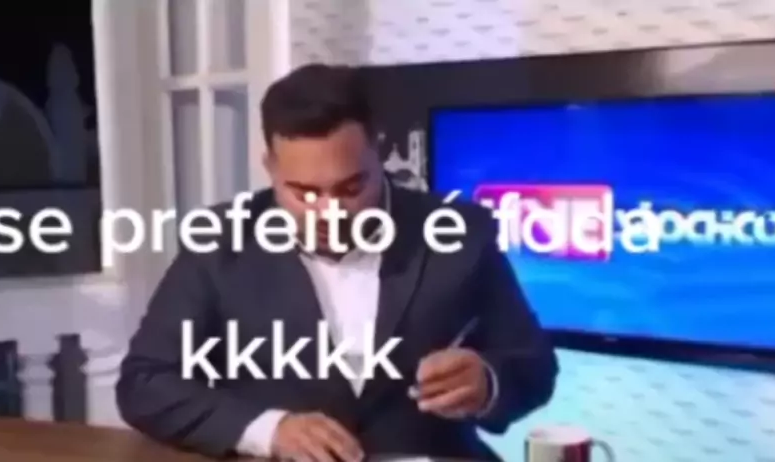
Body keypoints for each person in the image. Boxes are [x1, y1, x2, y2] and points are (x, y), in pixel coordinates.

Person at [116, 63, 558, 462]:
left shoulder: (461, 231)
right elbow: (145, 382)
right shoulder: (217, 242)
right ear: (270, 167)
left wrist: (487, 382)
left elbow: (534, 366)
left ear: (378, 152)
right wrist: (269, 430)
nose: (330, 213)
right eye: (304, 193)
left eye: (351, 188)